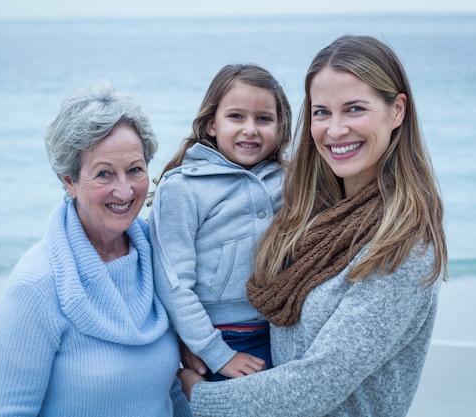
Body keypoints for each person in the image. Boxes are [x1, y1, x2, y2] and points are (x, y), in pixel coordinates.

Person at [178, 35, 448, 417]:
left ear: (397, 110)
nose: (335, 130)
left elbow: (315, 385)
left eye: (354, 109)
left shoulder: (404, 246)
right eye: (322, 112)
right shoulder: (309, 215)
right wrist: (197, 340)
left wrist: (196, 395)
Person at [0, 80, 191, 417]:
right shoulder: (35, 288)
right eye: (104, 174)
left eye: (135, 170)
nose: (125, 192)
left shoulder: (160, 258)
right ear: (69, 180)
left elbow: (167, 391)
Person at [148, 64, 292, 381]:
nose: (250, 129)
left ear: (280, 126)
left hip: (282, 333)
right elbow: (174, 286)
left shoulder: (289, 180)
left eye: (264, 118)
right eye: (236, 116)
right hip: (220, 340)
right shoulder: (183, 188)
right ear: (212, 123)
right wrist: (217, 354)